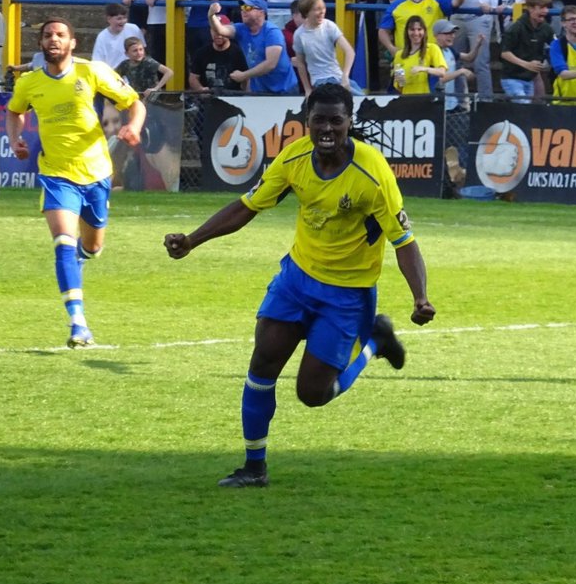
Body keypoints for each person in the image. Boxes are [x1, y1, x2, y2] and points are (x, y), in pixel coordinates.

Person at [163, 82, 434, 488]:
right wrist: (192, 240)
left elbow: (404, 242)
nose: (327, 129)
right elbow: (247, 206)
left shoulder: (372, 173)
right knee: (262, 363)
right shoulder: (294, 158)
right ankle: (254, 467)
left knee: (312, 394)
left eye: (336, 121)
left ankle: (376, 340)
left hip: (347, 295)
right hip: (297, 280)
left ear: (349, 122)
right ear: (306, 122)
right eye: (318, 120)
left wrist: (420, 297)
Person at [5, 18, 146, 348]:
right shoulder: (29, 82)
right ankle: (78, 322)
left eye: (60, 35)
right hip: (56, 174)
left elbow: (133, 103)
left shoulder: (91, 71)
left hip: (96, 172)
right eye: (48, 35)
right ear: (40, 44)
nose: (53, 39)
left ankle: (83, 256)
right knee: (62, 242)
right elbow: (15, 112)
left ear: (72, 43)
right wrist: (15, 139)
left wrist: (134, 127)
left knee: (92, 246)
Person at [208, 0, 299, 94]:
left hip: (284, 89)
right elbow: (220, 30)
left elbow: (270, 64)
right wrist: (211, 15)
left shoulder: (272, 32)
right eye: (242, 8)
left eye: (248, 8)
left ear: (261, 12)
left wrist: (244, 75)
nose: (243, 11)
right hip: (260, 90)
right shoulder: (241, 29)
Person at [291, 0, 355, 91]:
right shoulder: (299, 35)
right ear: (306, 12)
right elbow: (301, 63)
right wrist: (307, 89)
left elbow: (349, 51)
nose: (322, 12)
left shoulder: (329, 26)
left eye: (323, 8)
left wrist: (345, 76)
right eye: (317, 9)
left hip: (337, 76)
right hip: (320, 80)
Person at [498, 0, 554, 101]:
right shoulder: (516, 27)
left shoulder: (546, 28)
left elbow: (555, 45)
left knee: (526, 111)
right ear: (530, 8)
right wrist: (526, 64)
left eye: (547, 7)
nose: (545, 11)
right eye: (541, 7)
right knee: (523, 106)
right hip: (512, 78)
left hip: (529, 79)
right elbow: (504, 53)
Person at [390, 14, 447, 94]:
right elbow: (400, 85)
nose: (416, 33)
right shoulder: (399, 55)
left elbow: (442, 72)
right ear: (407, 32)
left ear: (424, 31)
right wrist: (401, 78)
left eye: (419, 29)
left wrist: (423, 69)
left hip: (426, 98)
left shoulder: (432, 48)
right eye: (412, 29)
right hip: (407, 99)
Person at [91, 2, 144, 69]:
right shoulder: (102, 37)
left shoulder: (134, 28)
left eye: (124, 18)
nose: (123, 21)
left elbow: (143, 50)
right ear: (109, 19)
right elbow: (97, 61)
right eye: (119, 19)